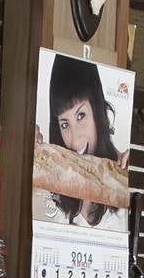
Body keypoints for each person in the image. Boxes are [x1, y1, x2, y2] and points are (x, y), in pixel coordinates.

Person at [40, 54, 128, 229]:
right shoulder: (51, 181)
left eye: (81, 115)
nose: (75, 139)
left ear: (96, 110)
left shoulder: (123, 173)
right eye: (64, 124)